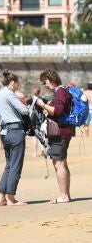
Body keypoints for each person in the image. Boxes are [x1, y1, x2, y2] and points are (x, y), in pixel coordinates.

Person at [32, 69, 74, 204]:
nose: (44, 85)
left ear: (51, 80)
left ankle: (64, 196)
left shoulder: (60, 91)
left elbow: (58, 111)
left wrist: (42, 104)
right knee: (62, 163)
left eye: (45, 82)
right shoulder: (63, 90)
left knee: (58, 164)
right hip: (64, 131)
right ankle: (66, 194)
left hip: (60, 132)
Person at [0, 70, 31, 207]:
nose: (17, 86)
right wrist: (30, 105)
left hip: (4, 132)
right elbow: (24, 110)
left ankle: (1, 197)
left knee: (9, 165)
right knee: (15, 165)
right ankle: (11, 198)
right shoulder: (9, 94)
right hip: (15, 130)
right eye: (17, 83)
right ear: (13, 83)